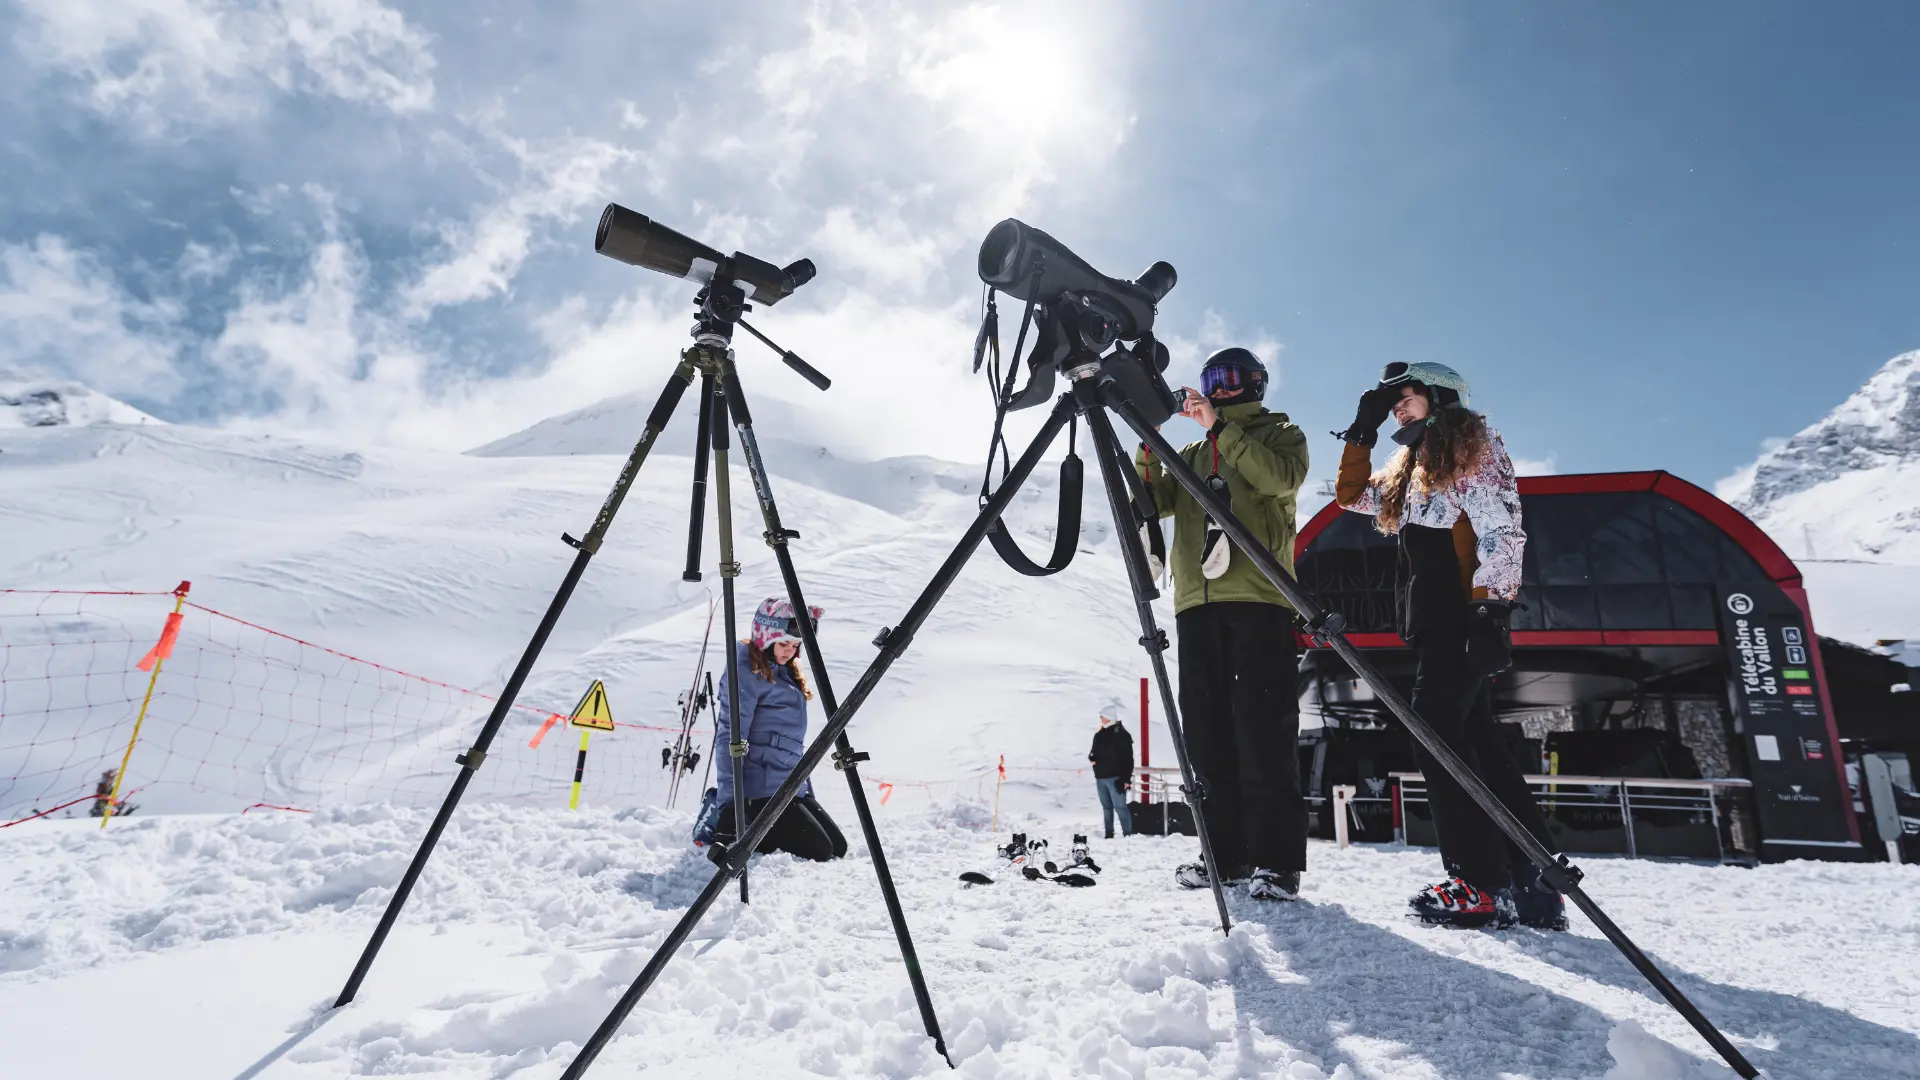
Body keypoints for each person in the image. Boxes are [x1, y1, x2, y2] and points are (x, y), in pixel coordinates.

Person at [1334, 361, 1567, 930]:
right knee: (1480, 748)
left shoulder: (1472, 445)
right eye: (1393, 401)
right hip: (1436, 621)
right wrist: (1361, 434)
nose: (1398, 407)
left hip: (1463, 619)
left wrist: (1490, 611)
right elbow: (1349, 498)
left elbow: (1502, 528)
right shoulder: (1413, 465)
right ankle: (1534, 882)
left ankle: (1478, 884)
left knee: (1435, 736)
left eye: (1407, 396)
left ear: (1440, 397)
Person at [1135, 346, 1310, 903]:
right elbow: (1151, 501)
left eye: (1232, 378)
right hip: (1196, 605)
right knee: (1208, 736)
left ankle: (1277, 863)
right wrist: (1147, 445)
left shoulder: (1282, 435)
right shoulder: (1187, 451)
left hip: (1260, 599)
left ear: (1256, 383)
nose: (1222, 388)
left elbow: (1277, 480)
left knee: (1262, 731)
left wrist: (1220, 430)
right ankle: (1225, 856)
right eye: (1213, 379)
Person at [708, 597, 848, 862]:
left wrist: (807, 792)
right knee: (821, 851)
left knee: (838, 848)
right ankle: (738, 828)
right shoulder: (745, 671)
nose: (790, 651)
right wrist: (729, 804)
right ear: (765, 637)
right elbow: (730, 735)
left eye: (795, 645)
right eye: (784, 643)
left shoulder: (785, 671)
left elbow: (791, 743)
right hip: (759, 793)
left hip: (789, 785)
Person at [1088, 703, 1135, 839]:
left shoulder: (1122, 735)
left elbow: (1128, 759)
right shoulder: (1099, 735)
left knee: (1120, 806)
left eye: (1103, 717)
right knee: (1106, 807)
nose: (1101, 720)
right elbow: (1093, 752)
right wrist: (1092, 758)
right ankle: (1109, 833)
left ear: (1109, 718)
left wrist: (1126, 779)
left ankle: (1127, 834)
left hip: (1116, 778)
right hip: (1101, 777)